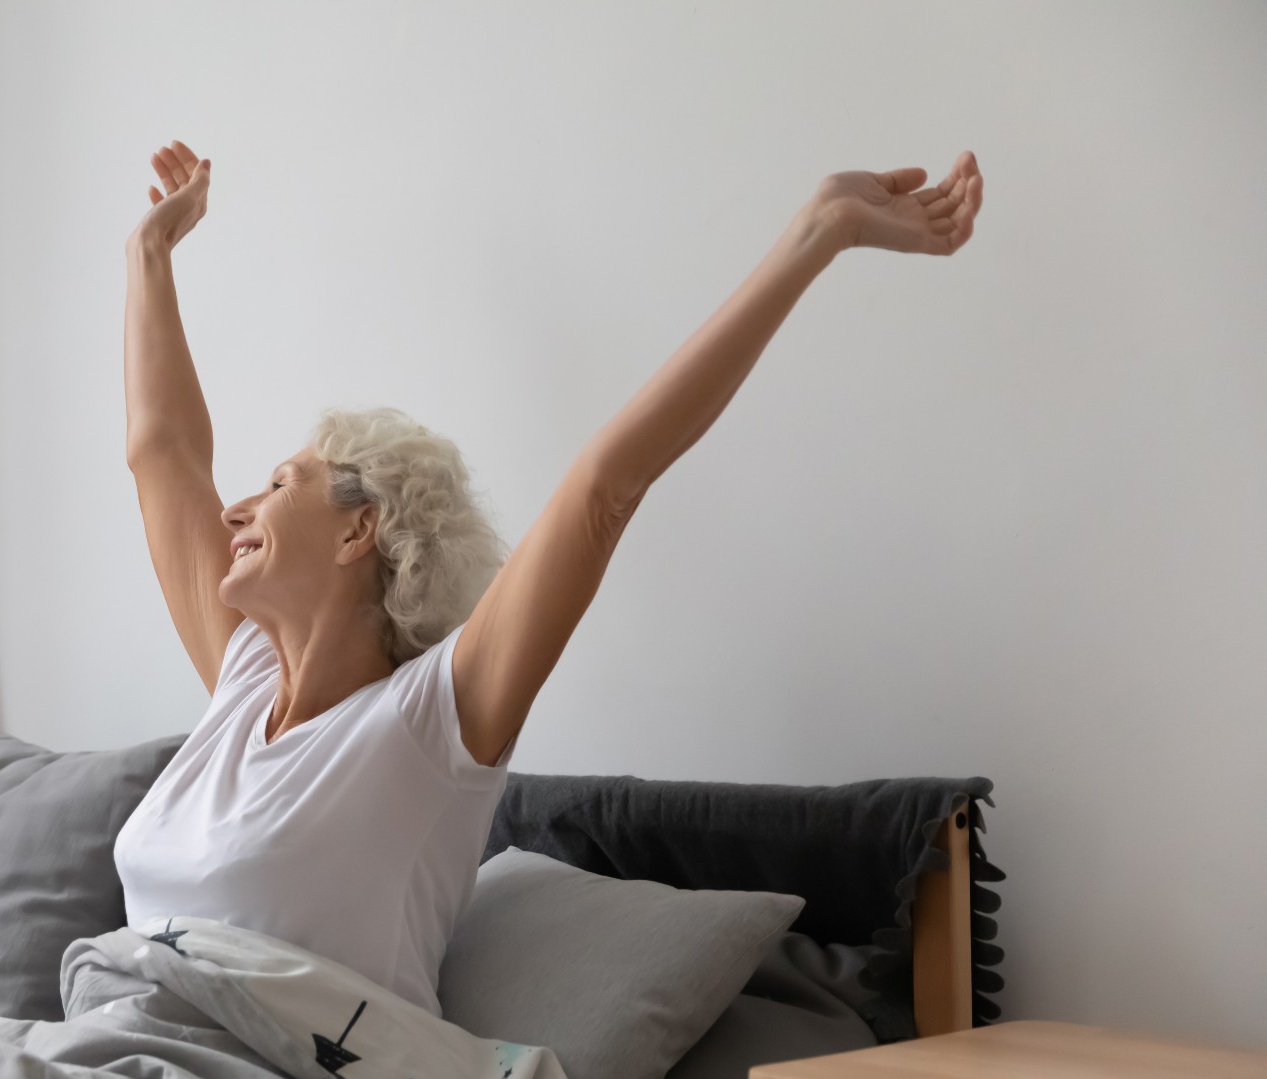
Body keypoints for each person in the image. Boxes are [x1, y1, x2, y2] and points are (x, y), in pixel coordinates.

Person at [114, 139, 982, 1018]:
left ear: (359, 529)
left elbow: (606, 487)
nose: (234, 511)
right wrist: (149, 251)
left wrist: (818, 232)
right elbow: (162, 454)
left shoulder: (426, 724)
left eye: (277, 486)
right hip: (108, 1054)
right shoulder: (244, 685)